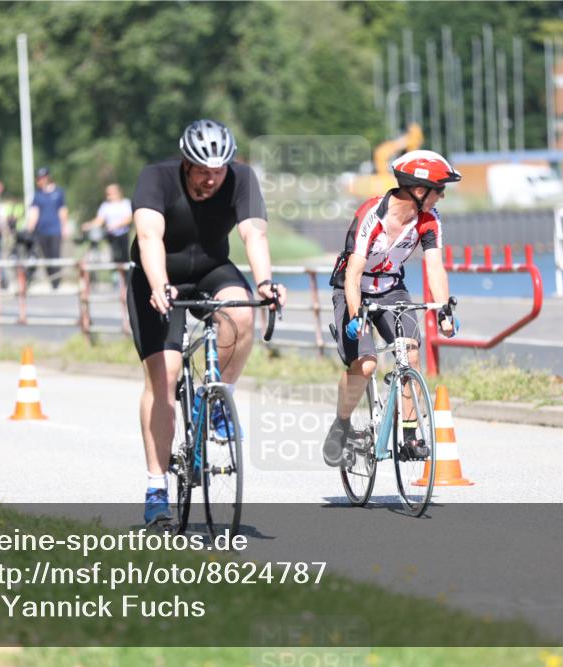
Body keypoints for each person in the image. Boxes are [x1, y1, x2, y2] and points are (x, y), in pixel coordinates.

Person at [129, 119, 286, 525]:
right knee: (165, 375)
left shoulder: (241, 179)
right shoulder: (156, 178)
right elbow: (149, 237)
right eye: (202, 171)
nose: (210, 180)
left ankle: (217, 399)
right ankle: (156, 486)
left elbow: (254, 235)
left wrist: (265, 283)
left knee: (241, 311)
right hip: (159, 276)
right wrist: (159, 285)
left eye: (218, 171)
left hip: (212, 270)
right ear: (185, 163)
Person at [323, 150, 459, 467]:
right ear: (420, 190)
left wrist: (444, 311)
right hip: (352, 290)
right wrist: (355, 316)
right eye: (439, 189)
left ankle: (409, 434)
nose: (442, 196)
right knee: (366, 365)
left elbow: (435, 267)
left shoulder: (430, 219)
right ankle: (341, 424)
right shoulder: (372, 215)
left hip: (391, 289)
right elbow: (353, 274)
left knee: (410, 350)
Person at [26, 167, 68, 290]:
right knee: (46, 257)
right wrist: (29, 228)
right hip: (41, 230)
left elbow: (62, 210)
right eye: (38, 178)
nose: (40, 181)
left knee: (55, 255)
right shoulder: (38, 194)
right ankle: (52, 280)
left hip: (55, 229)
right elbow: (34, 212)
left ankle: (56, 282)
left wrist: (64, 227)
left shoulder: (58, 192)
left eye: (42, 178)